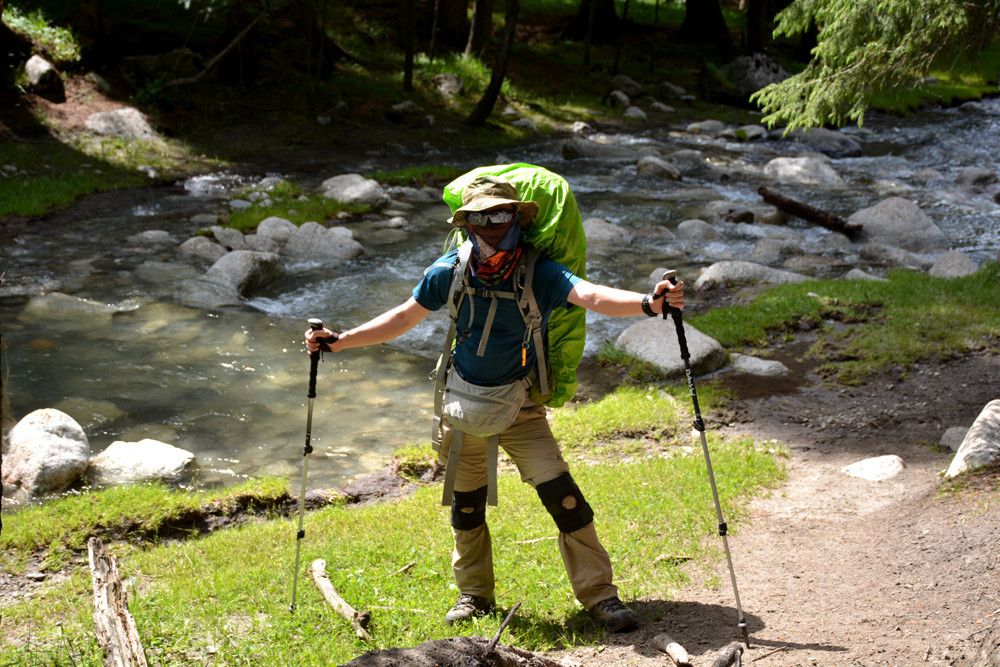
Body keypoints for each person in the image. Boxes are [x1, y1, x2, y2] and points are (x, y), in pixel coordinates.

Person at [306, 174, 684, 632]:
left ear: (517, 218)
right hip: (464, 406)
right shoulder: (448, 270)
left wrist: (649, 303)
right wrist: (340, 342)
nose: (491, 225)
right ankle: (474, 595)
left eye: (500, 214)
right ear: (466, 223)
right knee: (466, 506)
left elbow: (590, 295)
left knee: (565, 500)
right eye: (480, 217)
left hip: (520, 408)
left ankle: (601, 597)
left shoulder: (538, 270)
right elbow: (404, 316)